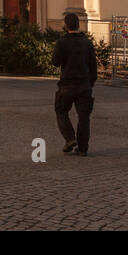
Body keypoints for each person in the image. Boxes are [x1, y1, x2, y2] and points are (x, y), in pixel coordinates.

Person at [51, 12, 98, 156]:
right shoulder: (87, 42)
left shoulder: (62, 42)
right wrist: (90, 83)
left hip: (67, 84)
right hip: (84, 84)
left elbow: (55, 62)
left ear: (65, 25)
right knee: (84, 117)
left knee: (61, 111)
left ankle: (70, 138)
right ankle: (83, 148)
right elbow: (93, 66)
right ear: (78, 24)